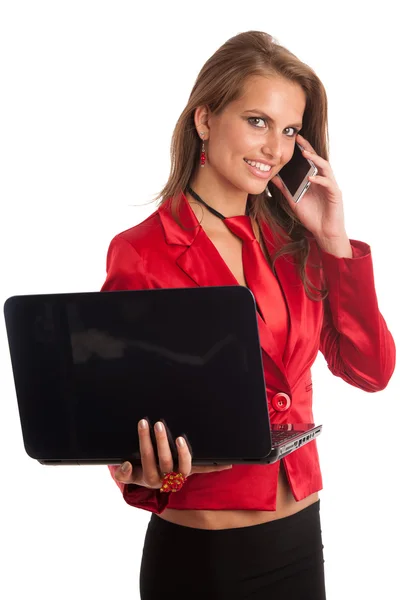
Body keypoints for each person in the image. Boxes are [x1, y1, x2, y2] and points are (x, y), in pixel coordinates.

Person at [100, 31, 396, 599]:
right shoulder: (142, 251)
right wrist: (148, 474)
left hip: (300, 541)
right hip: (204, 556)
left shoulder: (297, 242)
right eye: (258, 121)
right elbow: (122, 425)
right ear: (205, 119)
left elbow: (371, 370)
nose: (275, 149)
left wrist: (333, 237)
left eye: (289, 130)